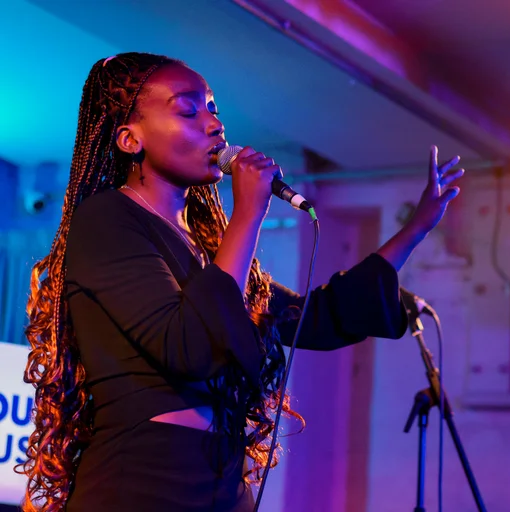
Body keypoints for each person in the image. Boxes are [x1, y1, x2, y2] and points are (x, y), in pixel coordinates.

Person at [18, 52, 464, 512]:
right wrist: (249, 214)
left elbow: (320, 319)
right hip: (143, 478)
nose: (214, 124)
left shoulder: (209, 248)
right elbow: (188, 345)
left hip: (220, 479)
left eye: (213, 108)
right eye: (188, 109)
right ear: (131, 139)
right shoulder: (107, 220)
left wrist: (416, 227)